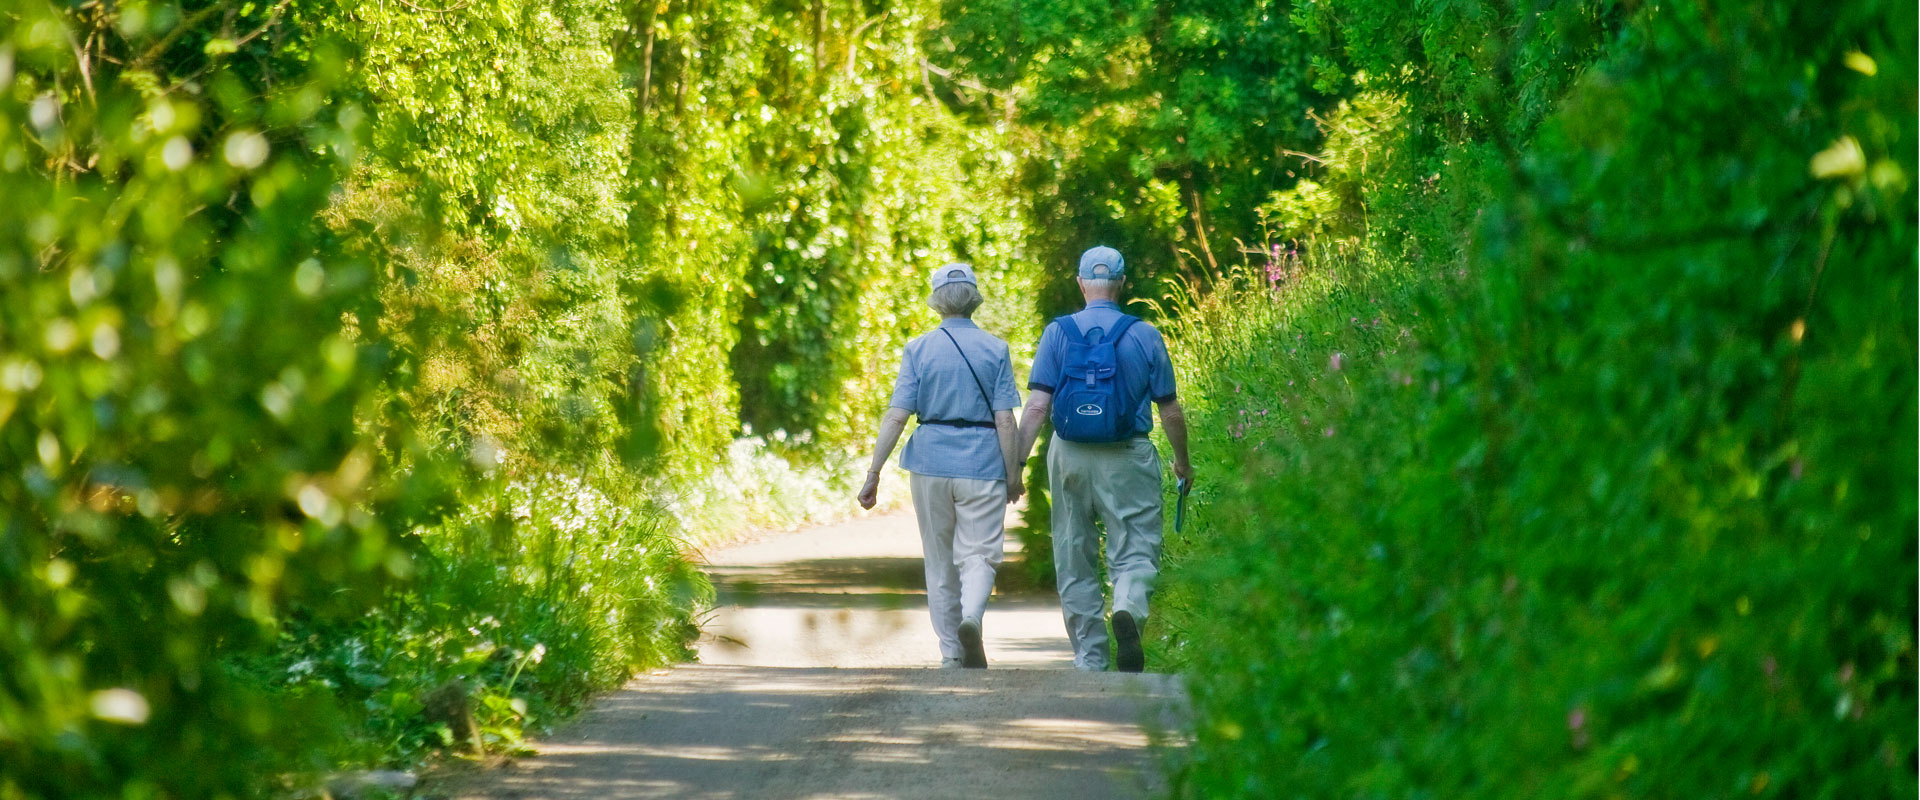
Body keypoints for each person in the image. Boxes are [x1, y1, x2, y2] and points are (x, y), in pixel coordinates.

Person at [1016, 245, 1191, 673]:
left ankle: (1090, 657)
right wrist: (1183, 461)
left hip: (1069, 454)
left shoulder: (1057, 333)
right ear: (1123, 285)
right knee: (1136, 548)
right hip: (1127, 455)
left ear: (1080, 284)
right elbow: (1169, 409)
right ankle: (1128, 605)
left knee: (1073, 551)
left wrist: (1015, 465)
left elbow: (1038, 407)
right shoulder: (1145, 334)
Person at [859, 263, 1025, 669]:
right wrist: (1013, 474)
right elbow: (1006, 419)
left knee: (939, 560)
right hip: (983, 461)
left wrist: (874, 472)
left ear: (935, 301)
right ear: (974, 300)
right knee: (980, 555)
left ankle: (952, 652)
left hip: (930, 462)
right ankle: (973, 618)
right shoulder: (995, 348)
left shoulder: (918, 348)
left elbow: (897, 416)